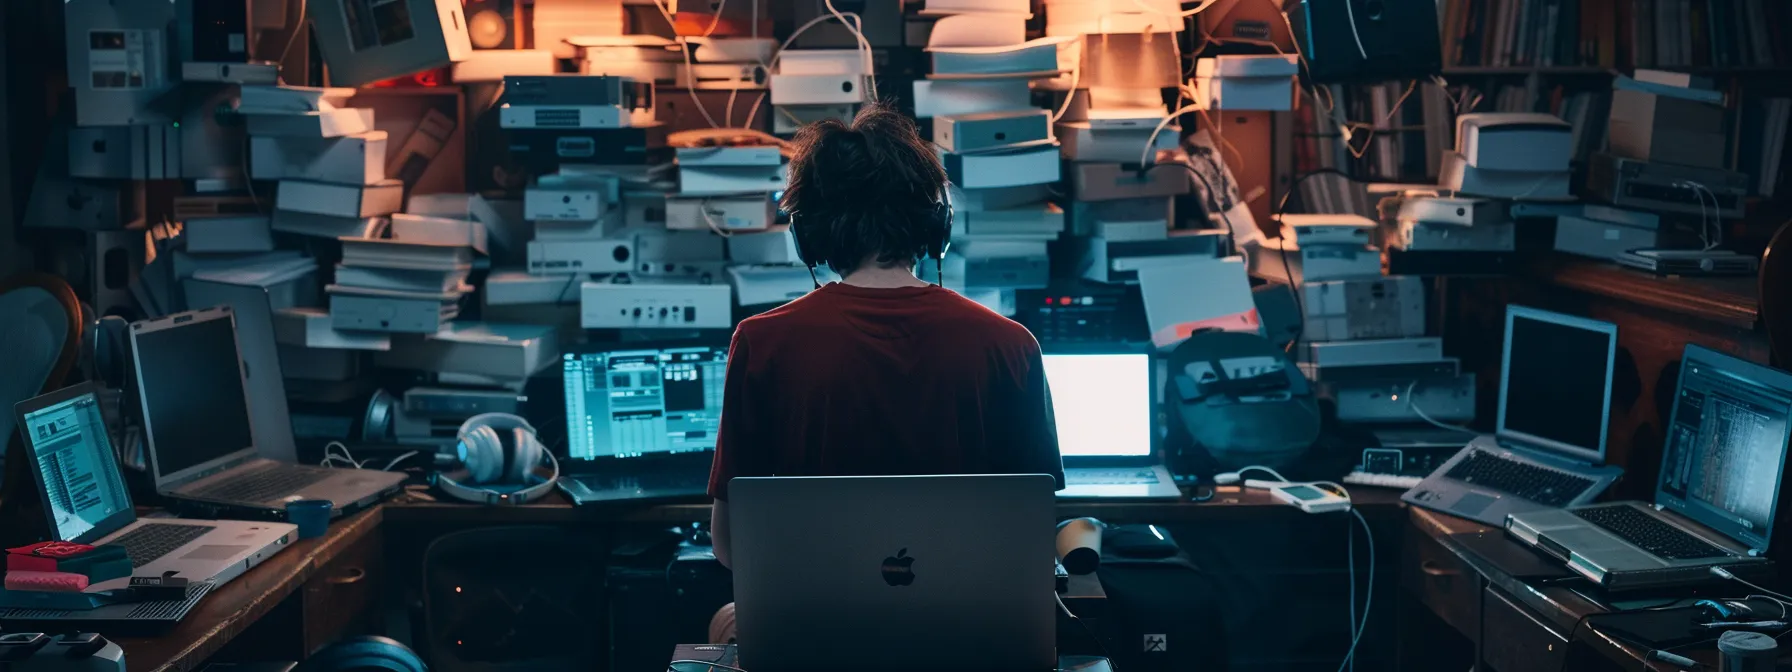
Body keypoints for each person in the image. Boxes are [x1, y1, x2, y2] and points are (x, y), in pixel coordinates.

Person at [704, 103, 1063, 638]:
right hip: (973, 635)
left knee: (721, 625)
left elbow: (732, 548)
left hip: (818, 634)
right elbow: (1033, 538)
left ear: (808, 232)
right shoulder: (1010, 345)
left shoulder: (762, 343)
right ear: (937, 224)